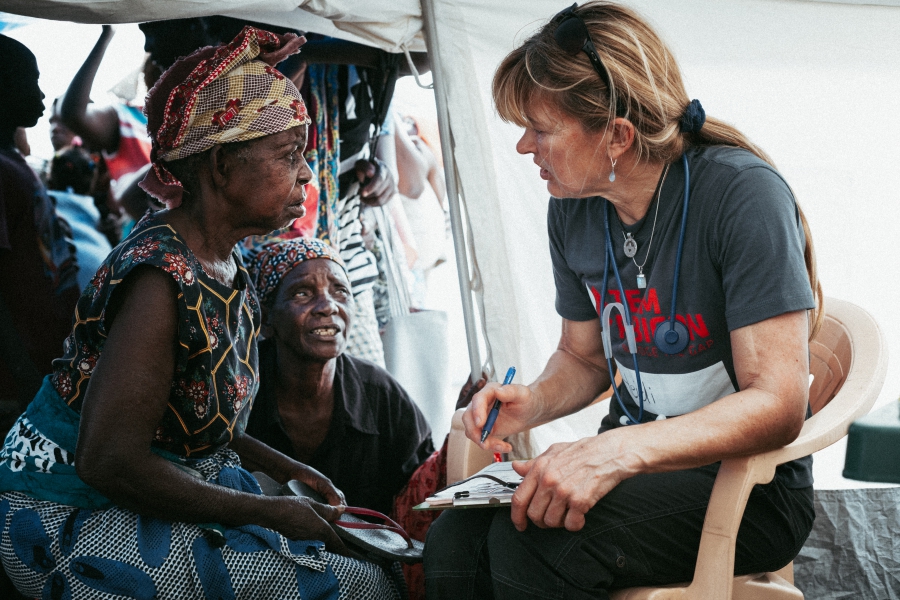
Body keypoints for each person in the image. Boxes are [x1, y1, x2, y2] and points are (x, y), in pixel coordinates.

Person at [424, 3, 822, 598]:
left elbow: (778, 402)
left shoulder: (742, 196)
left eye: (540, 128)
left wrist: (613, 453)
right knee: (454, 539)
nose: (523, 147)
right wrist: (530, 402)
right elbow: (584, 359)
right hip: (640, 466)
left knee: (533, 544)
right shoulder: (574, 206)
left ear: (616, 135)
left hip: (748, 488)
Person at [0, 27, 399, 599]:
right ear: (219, 166)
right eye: (290, 155)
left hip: (150, 479)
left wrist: (288, 471)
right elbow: (108, 459)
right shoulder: (159, 279)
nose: (308, 174)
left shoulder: (226, 264)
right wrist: (267, 513)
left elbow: (201, 423)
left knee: (360, 564)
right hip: (67, 510)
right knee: (356, 586)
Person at [244, 235, 434, 517]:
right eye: (302, 293)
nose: (328, 306)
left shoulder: (382, 397)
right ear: (267, 317)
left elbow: (425, 493)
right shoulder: (238, 386)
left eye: (340, 292)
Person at [0, 35, 80, 430]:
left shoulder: (12, 161)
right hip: (20, 374)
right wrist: (23, 377)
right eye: (29, 80)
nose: (41, 92)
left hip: (43, 356)